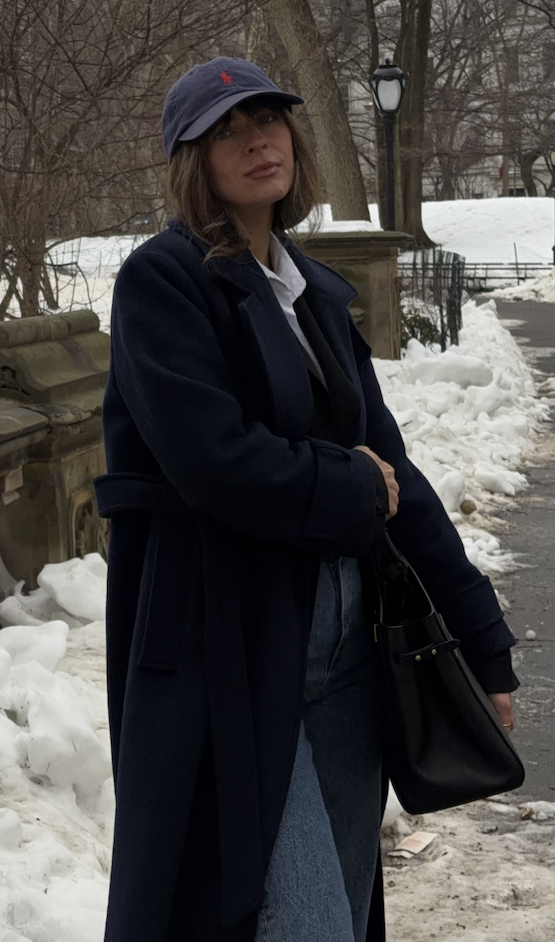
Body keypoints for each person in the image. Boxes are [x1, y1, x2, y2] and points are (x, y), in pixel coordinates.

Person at [94, 57, 518, 942]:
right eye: (226, 130)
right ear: (191, 160)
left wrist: (482, 640)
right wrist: (351, 481)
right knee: (292, 917)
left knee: (349, 900)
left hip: (350, 639)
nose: (257, 141)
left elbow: (402, 476)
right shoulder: (161, 284)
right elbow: (216, 463)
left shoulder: (314, 295)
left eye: (270, 121)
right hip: (233, 641)